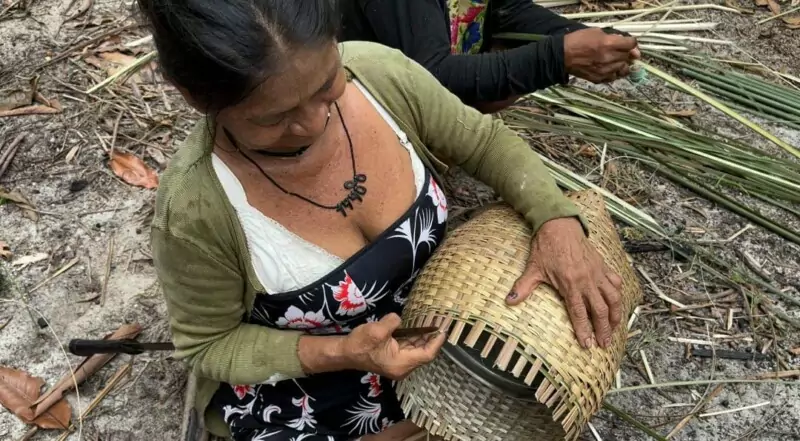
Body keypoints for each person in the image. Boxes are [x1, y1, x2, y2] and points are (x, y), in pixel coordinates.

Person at [139, 0, 623, 440]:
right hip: (312, 384)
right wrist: (343, 352)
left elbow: (483, 143)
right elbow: (209, 346)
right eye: (275, 118)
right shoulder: (196, 208)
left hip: (445, 334)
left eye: (328, 85)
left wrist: (555, 220)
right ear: (195, 96)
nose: (312, 122)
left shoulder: (378, 75)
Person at [338, 0, 641, 113]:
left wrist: (588, 37)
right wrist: (556, 58)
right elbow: (430, 77)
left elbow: (509, 10)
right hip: (376, 113)